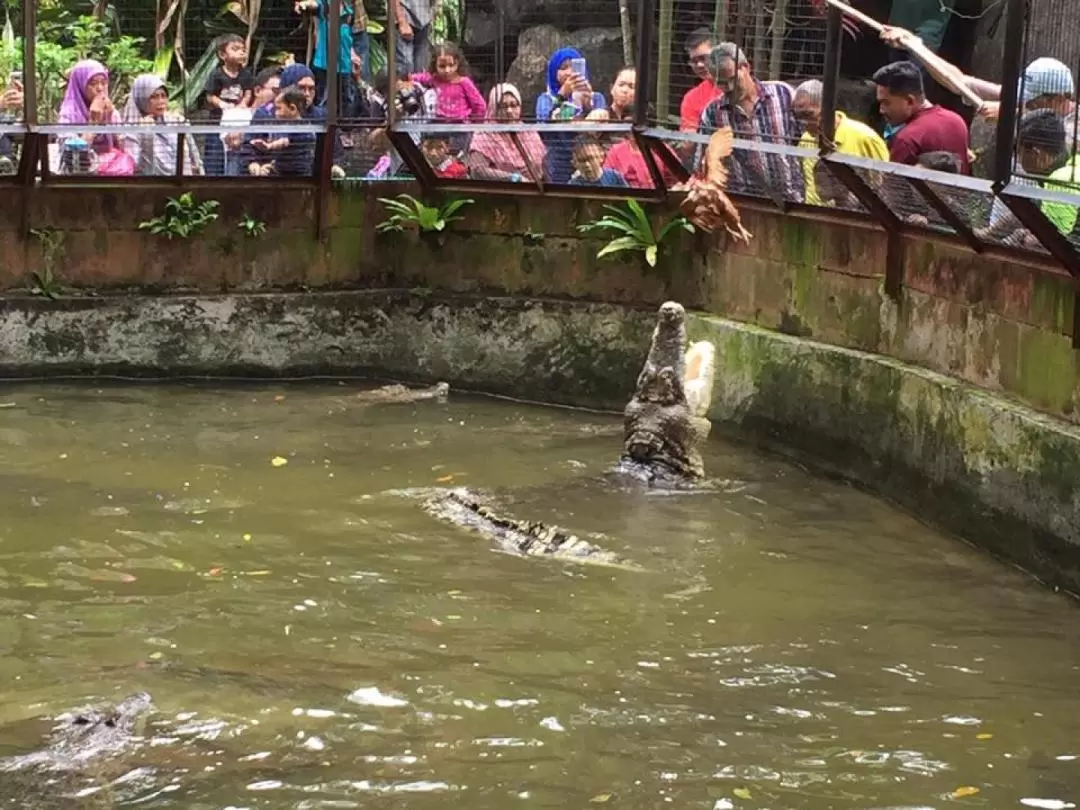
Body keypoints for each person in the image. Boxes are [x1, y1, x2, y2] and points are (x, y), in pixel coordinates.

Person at [696, 42, 802, 200]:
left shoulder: (783, 94)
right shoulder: (712, 113)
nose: (730, 87)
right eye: (722, 83)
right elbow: (702, 163)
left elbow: (809, 138)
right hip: (743, 203)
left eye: (733, 79)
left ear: (745, 67)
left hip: (792, 199)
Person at [980, 110, 1080, 247]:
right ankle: (987, 236)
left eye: (1019, 151)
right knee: (1024, 212)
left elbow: (1058, 237)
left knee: (1028, 240)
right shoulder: (1065, 160)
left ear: (1035, 153)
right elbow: (1026, 213)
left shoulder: (1059, 180)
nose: (1018, 160)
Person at [793, 79, 888, 205]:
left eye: (809, 114)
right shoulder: (806, 138)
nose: (804, 123)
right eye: (799, 117)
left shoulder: (864, 137)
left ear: (827, 108)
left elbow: (885, 184)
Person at [872, 60, 970, 173]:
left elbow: (891, 187)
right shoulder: (956, 120)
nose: (881, 110)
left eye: (886, 103)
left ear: (909, 101)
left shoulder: (907, 139)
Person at [535, 48, 607, 183]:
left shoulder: (597, 98)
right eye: (563, 68)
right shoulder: (545, 99)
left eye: (574, 67)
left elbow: (600, 128)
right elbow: (545, 124)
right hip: (559, 163)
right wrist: (562, 95)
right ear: (554, 72)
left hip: (591, 163)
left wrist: (588, 105)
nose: (569, 72)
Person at [121, 74, 202, 176]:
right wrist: (147, 135)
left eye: (163, 96)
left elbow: (195, 159)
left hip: (182, 184)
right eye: (154, 97)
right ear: (142, 99)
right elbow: (139, 169)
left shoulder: (176, 121)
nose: (161, 102)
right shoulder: (130, 132)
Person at [467, 83, 546, 182]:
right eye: (503, 106)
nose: (509, 111)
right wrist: (513, 178)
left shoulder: (529, 133)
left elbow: (543, 168)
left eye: (514, 105)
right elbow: (477, 171)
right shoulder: (483, 136)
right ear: (493, 107)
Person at [56, 59, 121, 174]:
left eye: (103, 83)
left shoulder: (111, 111)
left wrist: (109, 119)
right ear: (80, 86)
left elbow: (122, 148)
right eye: (93, 83)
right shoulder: (68, 116)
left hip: (110, 175)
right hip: (79, 178)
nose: (100, 88)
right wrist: (93, 124)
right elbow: (71, 158)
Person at [201, 34, 254, 175]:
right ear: (222, 54)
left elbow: (248, 92)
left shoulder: (246, 74)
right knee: (214, 153)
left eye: (243, 49)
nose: (241, 52)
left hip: (238, 121)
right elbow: (209, 96)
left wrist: (243, 104)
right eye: (235, 49)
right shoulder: (216, 74)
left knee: (235, 152)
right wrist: (222, 104)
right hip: (217, 121)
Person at [295, 0, 356, 113]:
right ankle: (322, 127)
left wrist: (353, 54)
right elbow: (314, 5)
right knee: (323, 99)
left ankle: (344, 128)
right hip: (324, 65)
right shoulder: (325, 5)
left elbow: (348, 36)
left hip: (344, 65)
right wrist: (304, 4)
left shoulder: (348, 9)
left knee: (345, 101)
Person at [247, 87, 316, 176]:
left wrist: (269, 146)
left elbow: (285, 142)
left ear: (292, 108)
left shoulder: (302, 128)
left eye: (278, 108)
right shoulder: (287, 127)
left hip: (297, 175)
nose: (275, 113)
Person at [680, 27, 722, 133]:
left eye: (704, 58)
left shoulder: (741, 85)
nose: (699, 65)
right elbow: (688, 144)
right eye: (694, 61)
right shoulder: (692, 98)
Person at [391, 0, 433, 76]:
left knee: (421, 69)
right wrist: (401, 21)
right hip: (405, 17)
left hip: (424, 19)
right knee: (406, 68)